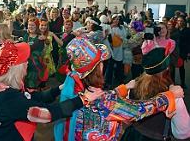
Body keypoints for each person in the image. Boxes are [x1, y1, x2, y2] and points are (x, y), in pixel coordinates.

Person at [54, 37, 184, 141]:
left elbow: (101, 97)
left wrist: (124, 87)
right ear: (98, 67)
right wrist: (169, 96)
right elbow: (139, 110)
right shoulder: (107, 103)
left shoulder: (77, 88)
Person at [0, 40, 103, 141]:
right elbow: (45, 113)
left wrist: (59, 89)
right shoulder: (6, 96)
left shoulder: (14, 86)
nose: (27, 63)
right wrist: (83, 99)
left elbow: (37, 97)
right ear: (15, 68)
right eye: (25, 61)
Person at [121, 41, 190, 141]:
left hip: (132, 135)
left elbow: (126, 115)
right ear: (167, 68)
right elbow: (182, 133)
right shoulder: (173, 94)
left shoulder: (134, 85)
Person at [175, 16, 190, 89]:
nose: (180, 22)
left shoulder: (187, 30)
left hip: (183, 49)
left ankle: (182, 82)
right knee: (172, 65)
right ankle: (172, 81)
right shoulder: (175, 30)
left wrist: (188, 51)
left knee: (181, 66)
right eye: (178, 21)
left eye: (181, 21)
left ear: (184, 21)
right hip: (175, 49)